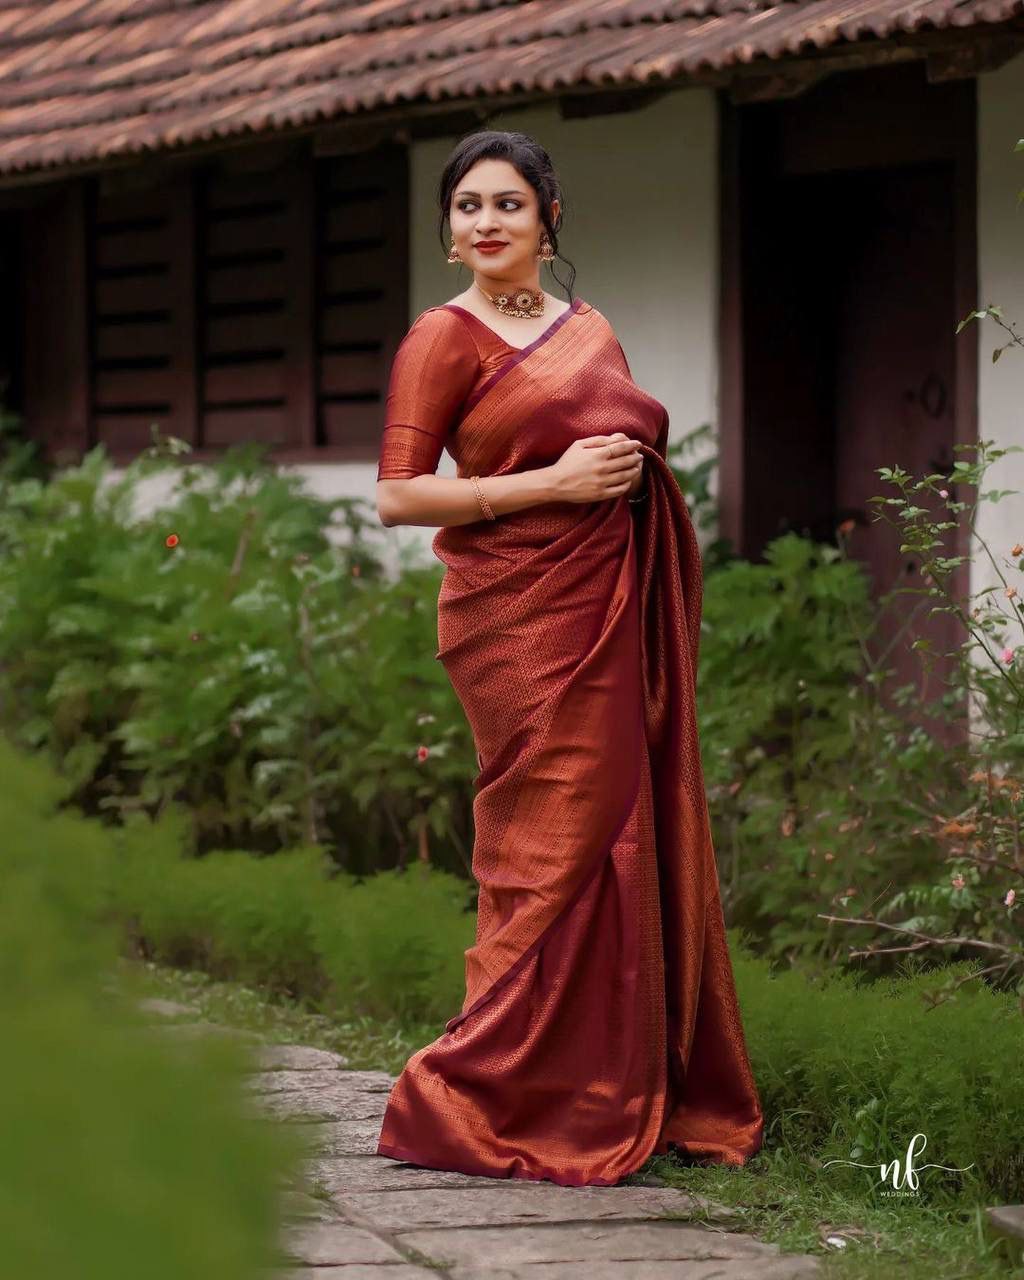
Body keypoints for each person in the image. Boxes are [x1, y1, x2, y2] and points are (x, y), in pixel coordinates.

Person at [373, 129, 764, 1187]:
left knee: (615, 838)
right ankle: (476, 1083)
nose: (486, 221)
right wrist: (546, 486)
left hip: (604, 599)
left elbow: (620, 458)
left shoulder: (587, 328)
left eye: (507, 202)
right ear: (448, 231)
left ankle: (595, 1082)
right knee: (542, 843)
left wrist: (619, 484)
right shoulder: (439, 337)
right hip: (513, 618)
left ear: (548, 218)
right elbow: (398, 493)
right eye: (466, 206)